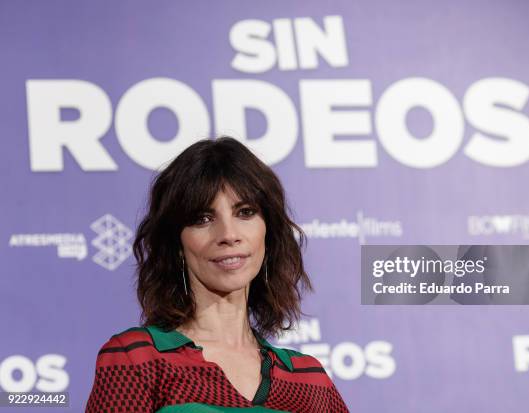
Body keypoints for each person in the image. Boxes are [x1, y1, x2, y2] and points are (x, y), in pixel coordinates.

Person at [85, 137, 350, 413]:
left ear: (268, 233)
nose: (228, 235)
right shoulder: (137, 359)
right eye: (203, 219)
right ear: (176, 244)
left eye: (245, 212)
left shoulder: (309, 380)